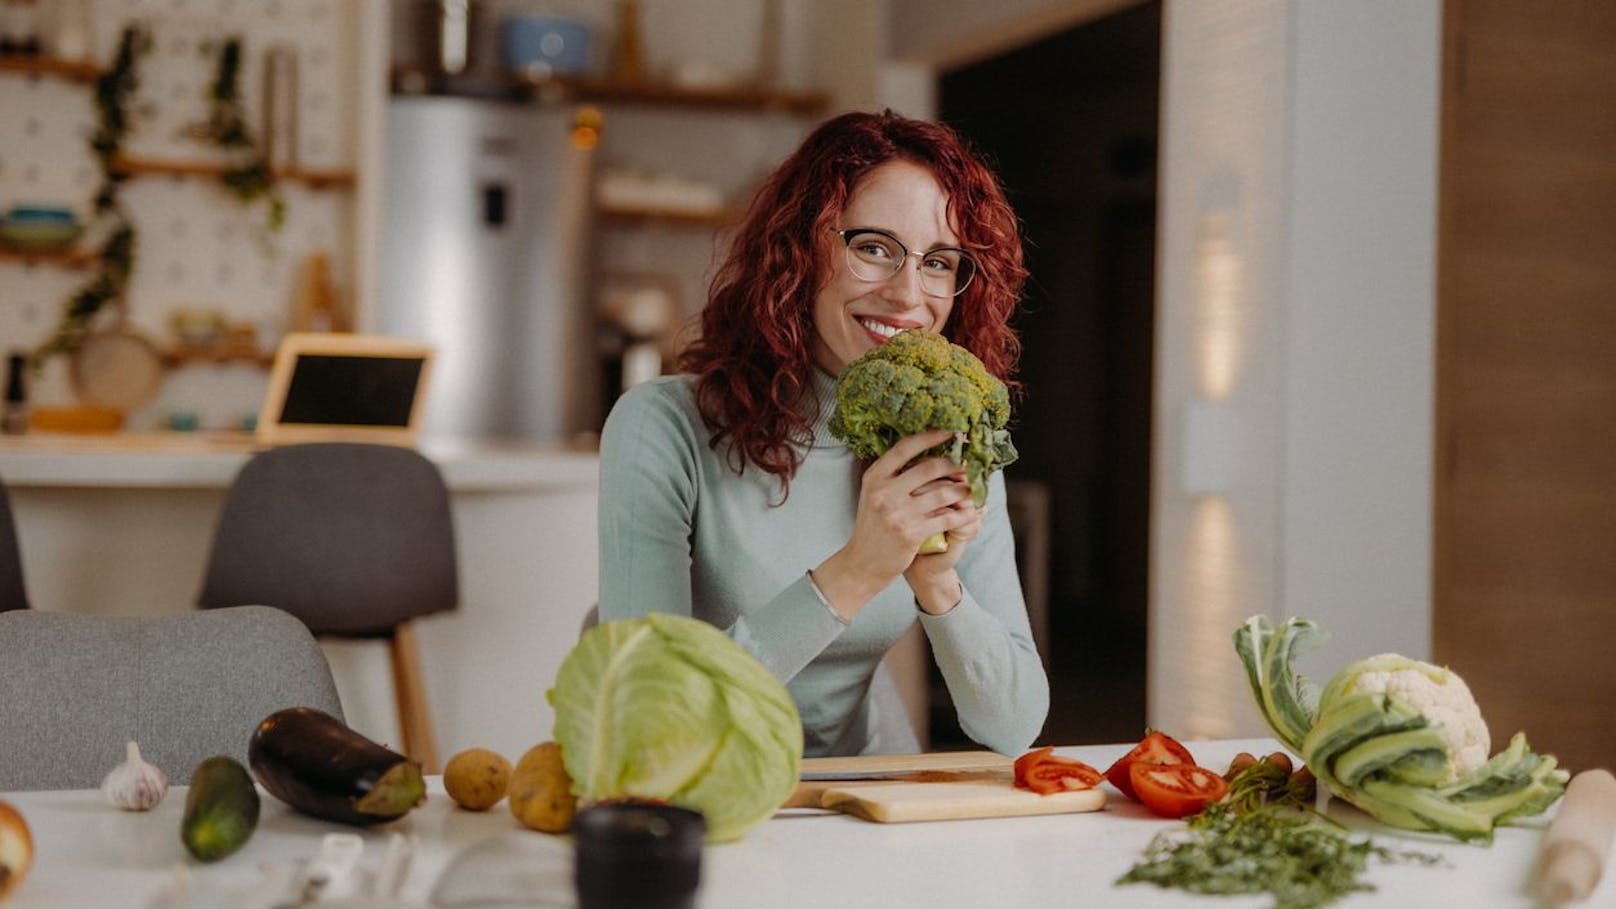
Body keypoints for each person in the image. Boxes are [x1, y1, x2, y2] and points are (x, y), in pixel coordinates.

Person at [597, 110, 1047, 758]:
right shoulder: (663, 427)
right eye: (873, 247)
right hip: (693, 795)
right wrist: (858, 568)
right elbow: (650, 723)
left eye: (940, 262)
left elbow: (1014, 725)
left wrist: (937, 583)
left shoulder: (951, 443)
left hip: (854, 799)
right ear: (801, 248)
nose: (907, 293)